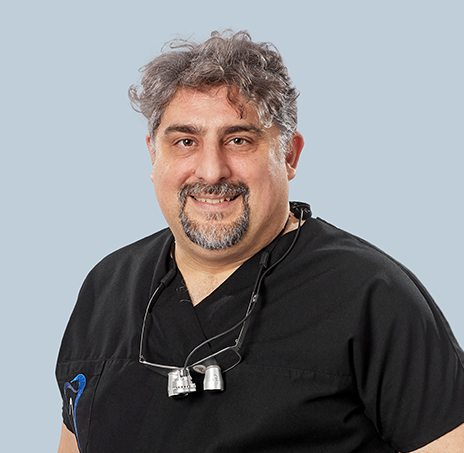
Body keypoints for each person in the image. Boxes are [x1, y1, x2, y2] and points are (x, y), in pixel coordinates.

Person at [56, 30, 464, 453]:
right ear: (153, 154)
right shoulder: (106, 289)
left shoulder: (372, 295)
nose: (211, 171)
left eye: (239, 140)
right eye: (185, 142)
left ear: (289, 155)